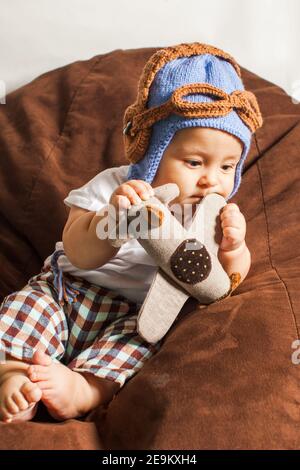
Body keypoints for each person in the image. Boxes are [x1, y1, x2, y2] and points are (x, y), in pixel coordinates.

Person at [0, 42, 263, 423]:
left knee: (140, 348)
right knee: (27, 309)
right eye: (194, 162)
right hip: (69, 291)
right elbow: (78, 251)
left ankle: (85, 388)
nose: (211, 180)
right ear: (152, 151)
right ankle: (15, 376)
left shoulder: (213, 216)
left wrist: (235, 247)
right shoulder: (115, 188)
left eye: (227, 167)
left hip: (138, 315)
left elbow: (226, 280)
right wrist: (114, 221)